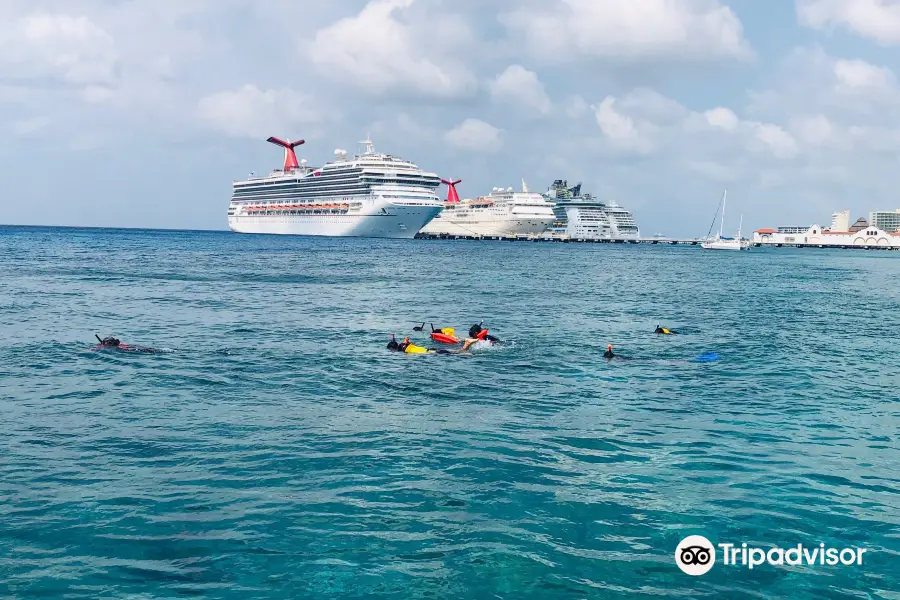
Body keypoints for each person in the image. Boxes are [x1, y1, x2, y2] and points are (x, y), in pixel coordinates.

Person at [93, 334, 160, 353]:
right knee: (145, 349)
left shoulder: (103, 347)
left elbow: (94, 349)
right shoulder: (121, 345)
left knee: (143, 350)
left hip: (125, 349)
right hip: (127, 347)